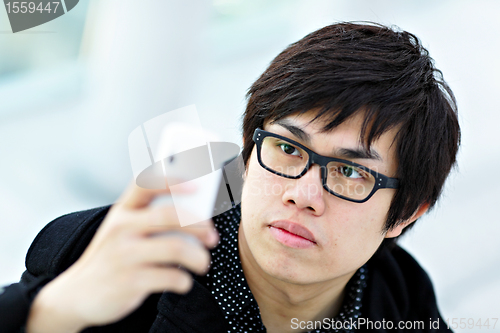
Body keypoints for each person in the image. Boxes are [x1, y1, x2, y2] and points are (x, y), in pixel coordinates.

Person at [0, 22, 460, 332]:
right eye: (286, 147)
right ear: (248, 150)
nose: (302, 195)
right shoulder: (114, 258)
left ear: (404, 214)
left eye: (349, 172)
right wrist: (53, 312)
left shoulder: (401, 301)